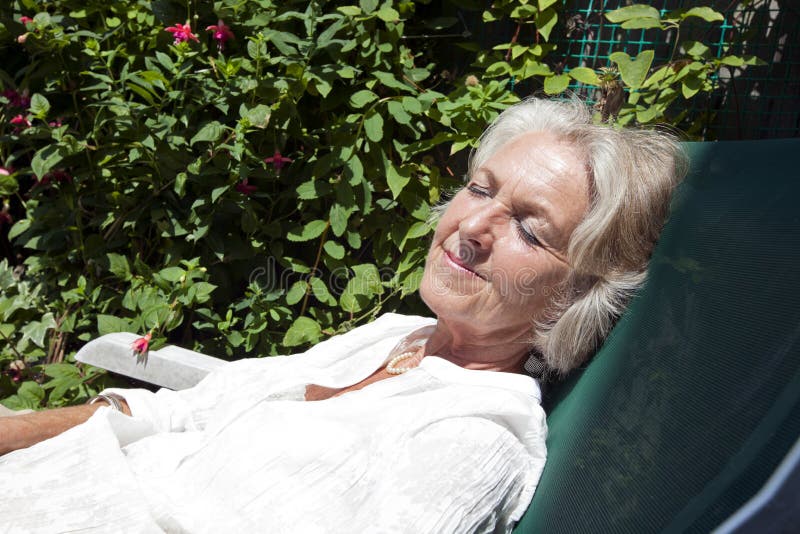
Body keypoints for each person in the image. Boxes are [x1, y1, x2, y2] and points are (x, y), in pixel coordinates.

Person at [0, 97, 686, 533]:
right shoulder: (398, 337)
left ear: (576, 293)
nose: (472, 225)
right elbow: (189, 412)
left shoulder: (474, 441)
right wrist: (18, 429)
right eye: (479, 188)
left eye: (530, 230)